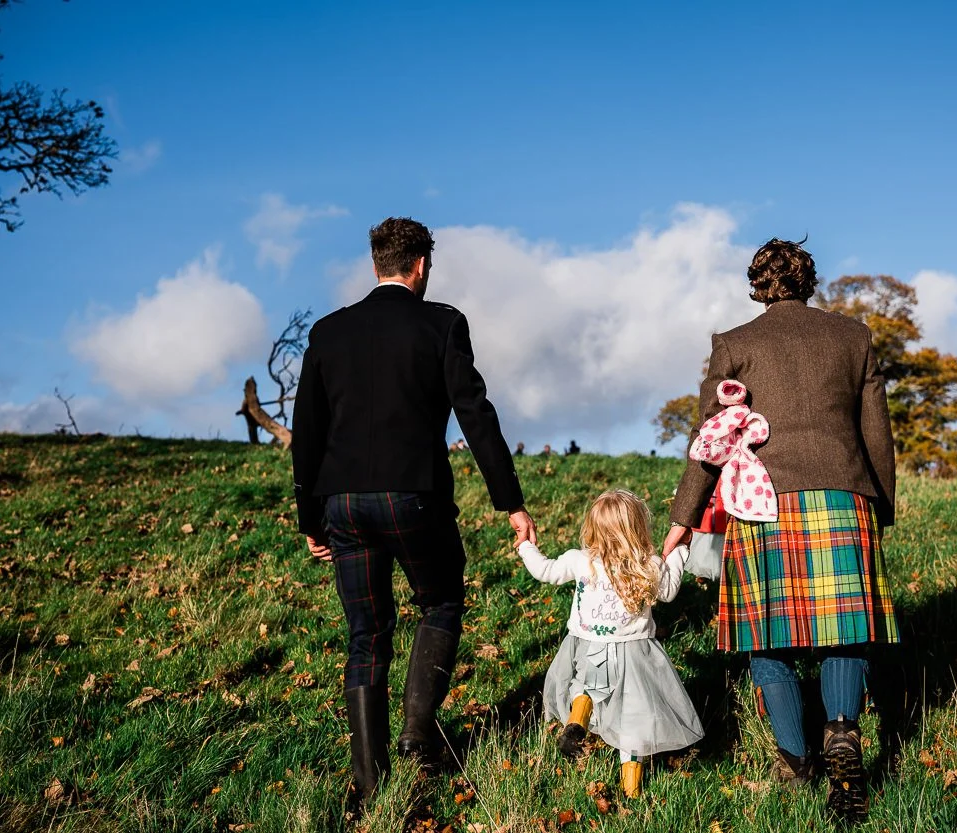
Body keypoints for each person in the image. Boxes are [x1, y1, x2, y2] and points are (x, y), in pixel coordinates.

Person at [291, 217, 536, 814]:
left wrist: (309, 519)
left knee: (365, 636)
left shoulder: (327, 332)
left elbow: (306, 432)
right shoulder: (442, 323)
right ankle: (418, 738)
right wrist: (512, 502)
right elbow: (476, 416)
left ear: (377, 263)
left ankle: (372, 785)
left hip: (342, 503)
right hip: (413, 499)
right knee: (442, 601)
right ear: (421, 264)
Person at [664, 238, 898, 824]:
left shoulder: (734, 345)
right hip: (844, 498)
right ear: (808, 280)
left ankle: (796, 762)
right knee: (844, 631)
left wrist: (682, 521)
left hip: (761, 506)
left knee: (766, 639)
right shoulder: (854, 337)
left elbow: (710, 443)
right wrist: (880, 506)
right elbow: (878, 437)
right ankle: (842, 737)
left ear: (758, 284)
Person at [518, 490, 703, 798]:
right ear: (638, 527)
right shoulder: (649, 565)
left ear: (593, 526)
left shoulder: (580, 560)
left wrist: (525, 545)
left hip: (587, 645)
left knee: (583, 685)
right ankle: (631, 791)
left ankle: (578, 719)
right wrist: (681, 550)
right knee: (635, 718)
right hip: (634, 654)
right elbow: (669, 592)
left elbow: (545, 571)